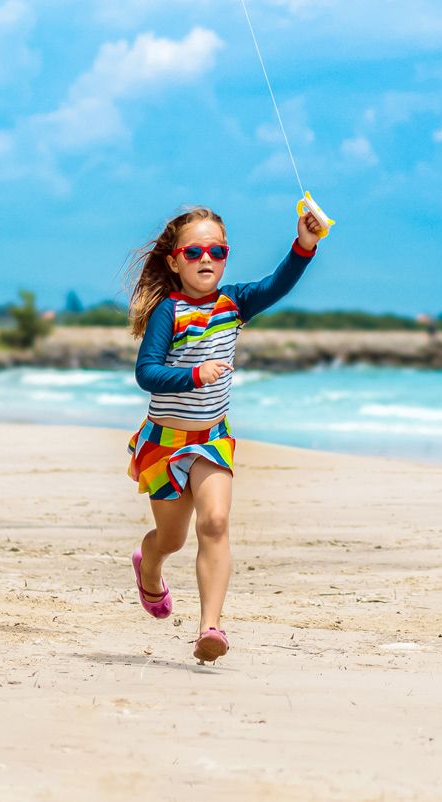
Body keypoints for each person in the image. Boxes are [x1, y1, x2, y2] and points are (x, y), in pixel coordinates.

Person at [124, 204, 323, 662]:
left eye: (217, 250)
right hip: (165, 445)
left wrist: (305, 245)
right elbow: (147, 373)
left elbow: (277, 284)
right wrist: (195, 375)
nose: (206, 259)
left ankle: (210, 627)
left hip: (212, 438)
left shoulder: (233, 303)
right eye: (194, 252)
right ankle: (149, 566)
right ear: (174, 261)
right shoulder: (168, 312)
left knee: (214, 523)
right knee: (171, 539)